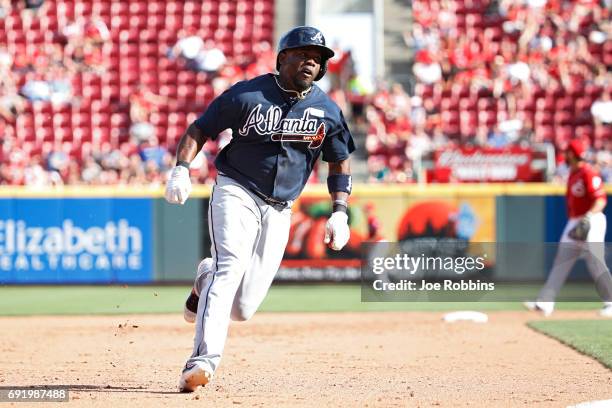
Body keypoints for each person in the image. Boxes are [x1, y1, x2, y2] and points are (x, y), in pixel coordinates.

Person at [164, 26, 355, 392]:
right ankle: (202, 361)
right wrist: (181, 169)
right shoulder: (249, 93)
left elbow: (340, 159)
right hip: (237, 188)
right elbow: (200, 129)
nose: (311, 61)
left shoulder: (327, 109)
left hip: (281, 207)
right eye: (303, 54)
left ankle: (204, 278)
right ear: (283, 58)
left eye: (317, 58)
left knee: (244, 308)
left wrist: (340, 210)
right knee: (230, 266)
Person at [524, 139, 612, 317]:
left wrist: (588, 216)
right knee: (561, 261)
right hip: (574, 221)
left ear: (572, 154)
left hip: (591, 218)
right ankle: (545, 303)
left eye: (567, 152)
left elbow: (601, 199)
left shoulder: (588, 173)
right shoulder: (573, 174)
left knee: (595, 260)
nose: (565, 155)